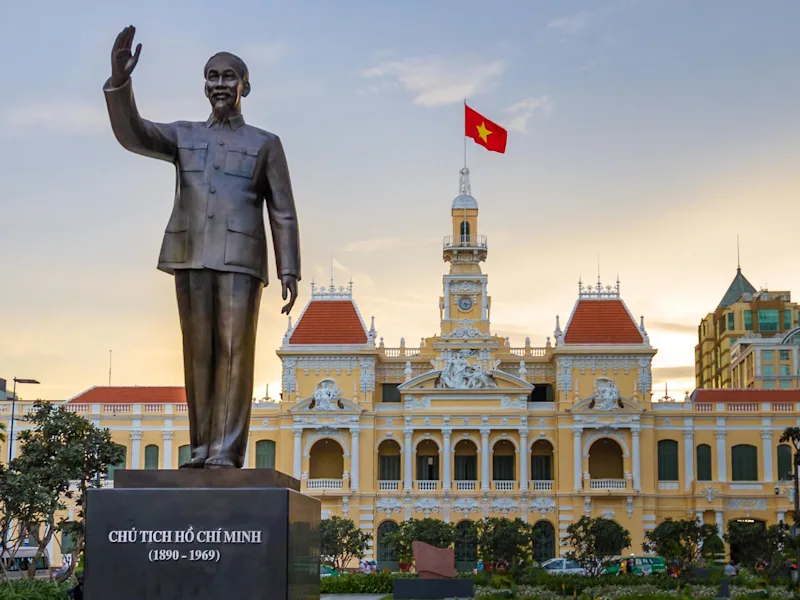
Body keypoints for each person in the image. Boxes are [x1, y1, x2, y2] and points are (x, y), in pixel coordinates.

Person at [103, 26, 301, 469]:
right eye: (212, 76)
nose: (219, 84)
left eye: (229, 77)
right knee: (198, 355)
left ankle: (225, 452)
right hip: (190, 254)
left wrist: (289, 267)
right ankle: (200, 449)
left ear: (244, 86)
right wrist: (120, 83)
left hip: (240, 261)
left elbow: (282, 210)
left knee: (234, 354)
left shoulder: (265, 143)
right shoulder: (183, 135)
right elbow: (133, 133)